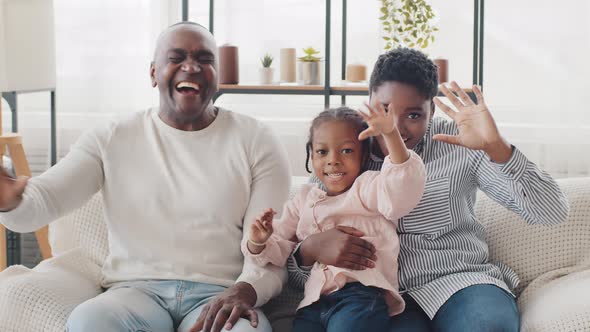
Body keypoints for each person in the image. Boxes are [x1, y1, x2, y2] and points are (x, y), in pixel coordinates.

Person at [0, 22, 290, 332]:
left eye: (205, 60)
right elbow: (43, 202)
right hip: (133, 292)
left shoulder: (257, 139)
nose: (190, 66)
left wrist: (245, 290)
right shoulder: (111, 137)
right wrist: (8, 201)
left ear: (217, 77)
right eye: (176, 57)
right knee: (89, 321)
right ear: (153, 73)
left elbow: (274, 246)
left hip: (221, 293)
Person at [287, 48, 569, 331]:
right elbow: (300, 267)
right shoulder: (341, 151)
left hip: (461, 282)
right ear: (369, 101)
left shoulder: (460, 143)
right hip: (379, 298)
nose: (396, 128)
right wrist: (309, 250)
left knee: (486, 326)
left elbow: (552, 212)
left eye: (413, 115)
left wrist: (498, 149)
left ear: (431, 110)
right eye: (385, 109)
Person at [244, 106, 426, 332]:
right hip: (313, 303)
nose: (333, 161)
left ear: (364, 155)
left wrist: (391, 135)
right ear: (311, 155)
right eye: (322, 152)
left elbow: (401, 188)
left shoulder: (368, 188)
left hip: (361, 296)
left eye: (347, 151)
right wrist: (258, 241)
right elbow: (277, 250)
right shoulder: (303, 199)